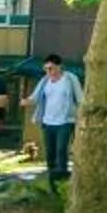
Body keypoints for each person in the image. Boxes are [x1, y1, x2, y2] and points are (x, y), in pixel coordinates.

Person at [31, 54, 80, 187]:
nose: (48, 72)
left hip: (65, 121)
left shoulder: (70, 79)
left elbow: (80, 98)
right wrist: (26, 101)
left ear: (59, 67)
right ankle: (52, 180)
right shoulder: (45, 80)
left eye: (51, 68)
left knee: (61, 149)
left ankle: (62, 178)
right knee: (50, 152)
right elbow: (35, 97)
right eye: (46, 69)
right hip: (48, 122)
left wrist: (81, 117)